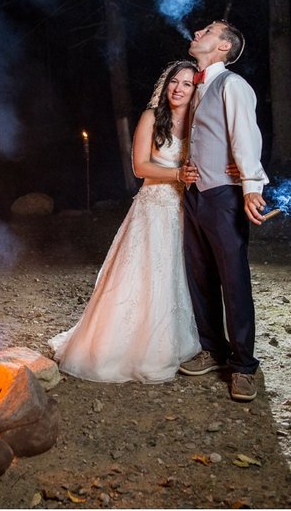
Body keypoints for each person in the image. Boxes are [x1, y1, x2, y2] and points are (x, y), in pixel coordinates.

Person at [49, 61, 201, 383]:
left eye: (187, 84)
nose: (179, 88)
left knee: (172, 273)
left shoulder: (197, 123)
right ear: (165, 84)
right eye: (174, 81)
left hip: (181, 210)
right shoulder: (150, 117)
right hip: (152, 208)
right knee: (142, 274)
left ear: (194, 90)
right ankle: (121, 346)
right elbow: (139, 167)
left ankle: (168, 341)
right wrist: (176, 173)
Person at [178, 20, 269, 402]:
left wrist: (251, 186)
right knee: (200, 276)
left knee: (233, 278)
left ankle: (244, 365)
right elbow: (199, 138)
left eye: (209, 31)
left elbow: (244, 134)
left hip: (223, 196)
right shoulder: (198, 86)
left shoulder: (232, 85)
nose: (198, 31)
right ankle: (212, 349)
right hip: (195, 195)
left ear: (224, 48)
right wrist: (184, 168)